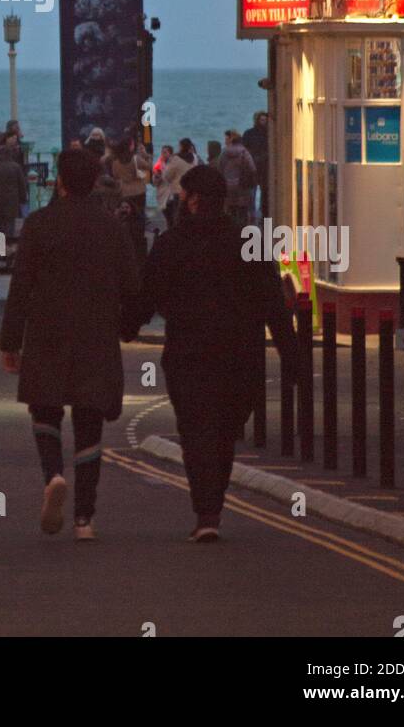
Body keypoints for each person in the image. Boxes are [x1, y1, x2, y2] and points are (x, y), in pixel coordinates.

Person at [126, 165, 296, 542]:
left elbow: (145, 297)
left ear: (194, 200)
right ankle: (212, 505)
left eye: (183, 196)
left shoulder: (171, 244)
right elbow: (272, 304)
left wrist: (123, 327)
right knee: (223, 433)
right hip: (240, 356)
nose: (181, 202)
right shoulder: (247, 241)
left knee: (195, 433)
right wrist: (291, 356)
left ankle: (207, 512)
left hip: (188, 355)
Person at [0, 147, 140, 541]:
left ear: (59, 181)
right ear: (96, 181)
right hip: (96, 336)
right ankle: (84, 518)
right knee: (89, 422)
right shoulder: (112, 227)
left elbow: (21, 287)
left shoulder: (40, 225)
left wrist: (10, 341)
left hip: (47, 333)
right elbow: (132, 286)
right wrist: (126, 329)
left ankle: (54, 475)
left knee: (44, 411)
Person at [107, 135, 150, 259]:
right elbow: (149, 167)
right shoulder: (136, 159)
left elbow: (115, 176)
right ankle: (139, 243)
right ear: (129, 146)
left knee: (126, 217)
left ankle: (126, 242)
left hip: (124, 192)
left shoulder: (115, 162)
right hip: (139, 191)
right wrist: (146, 155)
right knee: (139, 217)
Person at [0, 144, 27, 264]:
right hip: (12, 201)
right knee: (10, 226)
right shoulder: (16, 167)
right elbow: (21, 184)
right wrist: (23, 199)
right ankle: (9, 250)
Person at [217, 130, 258, 228]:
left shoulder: (224, 153)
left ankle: (232, 230)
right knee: (242, 210)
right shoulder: (244, 152)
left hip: (228, 185)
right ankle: (242, 232)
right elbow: (252, 168)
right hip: (242, 185)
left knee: (231, 209)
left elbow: (219, 168)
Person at [157, 139, 197, 229]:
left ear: (181, 147)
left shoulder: (176, 159)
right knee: (189, 215)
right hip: (191, 191)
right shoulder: (194, 158)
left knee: (178, 216)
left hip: (179, 191)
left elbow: (167, 176)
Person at [242, 111, 270, 217]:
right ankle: (252, 214)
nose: (263, 122)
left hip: (264, 167)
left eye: (265, 120)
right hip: (253, 166)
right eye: (262, 120)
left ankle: (261, 213)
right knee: (252, 193)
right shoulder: (249, 133)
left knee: (264, 192)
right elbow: (245, 149)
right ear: (257, 120)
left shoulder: (269, 133)